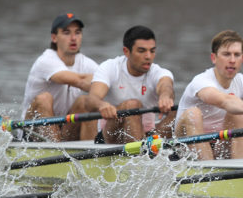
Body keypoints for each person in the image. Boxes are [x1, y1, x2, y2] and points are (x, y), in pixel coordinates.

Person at [86, 25, 177, 143]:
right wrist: (102, 105)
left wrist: (165, 97)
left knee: (180, 111)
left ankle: (146, 149)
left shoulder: (159, 72)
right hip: (112, 135)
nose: (148, 56)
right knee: (132, 105)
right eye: (141, 51)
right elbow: (92, 100)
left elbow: (166, 86)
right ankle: (140, 156)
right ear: (126, 52)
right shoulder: (109, 67)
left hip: (149, 135)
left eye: (152, 51)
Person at [173, 30, 243, 160]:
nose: (232, 60)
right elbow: (224, 101)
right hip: (186, 146)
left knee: (239, 116)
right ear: (214, 58)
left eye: (237, 55)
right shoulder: (201, 81)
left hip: (219, 144)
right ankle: (209, 170)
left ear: (242, 58)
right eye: (226, 54)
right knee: (193, 114)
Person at [20, 13, 100, 141]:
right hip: (33, 133)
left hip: (65, 130)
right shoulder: (45, 60)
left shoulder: (85, 62)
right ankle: (55, 150)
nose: (73, 38)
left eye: (78, 33)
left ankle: (92, 154)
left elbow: (106, 82)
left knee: (84, 102)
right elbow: (81, 81)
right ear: (54, 38)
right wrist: (100, 84)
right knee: (44, 99)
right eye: (66, 33)